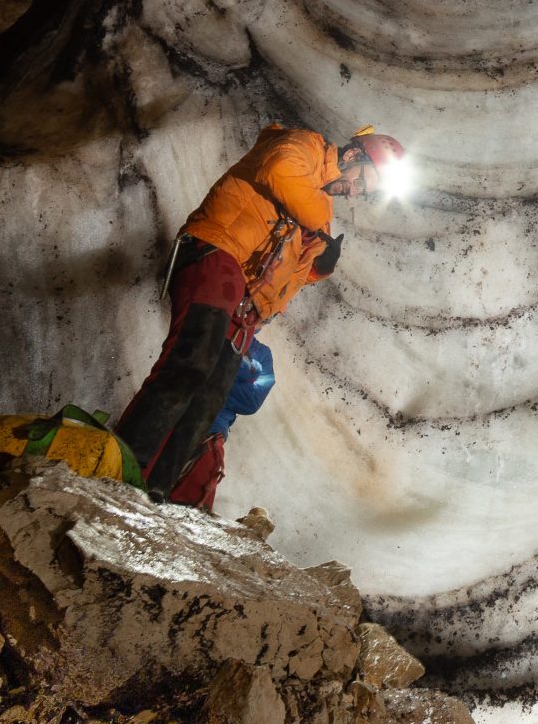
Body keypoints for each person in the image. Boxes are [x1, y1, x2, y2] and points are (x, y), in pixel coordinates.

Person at [117, 123, 403, 502]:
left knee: (211, 396)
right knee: (189, 364)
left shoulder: (317, 205)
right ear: (353, 155)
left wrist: (319, 268)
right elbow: (278, 170)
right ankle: (121, 470)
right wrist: (318, 221)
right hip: (216, 251)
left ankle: (158, 491)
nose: (357, 192)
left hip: (244, 295)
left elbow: (291, 272)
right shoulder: (305, 148)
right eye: (363, 182)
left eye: (365, 192)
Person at [164, 337, 275, 512]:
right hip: (180, 406)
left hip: (213, 427)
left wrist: (220, 377)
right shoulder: (226, 329)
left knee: (192, 492)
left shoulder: (263, 354)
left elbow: (251, 402)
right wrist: (244, 374)